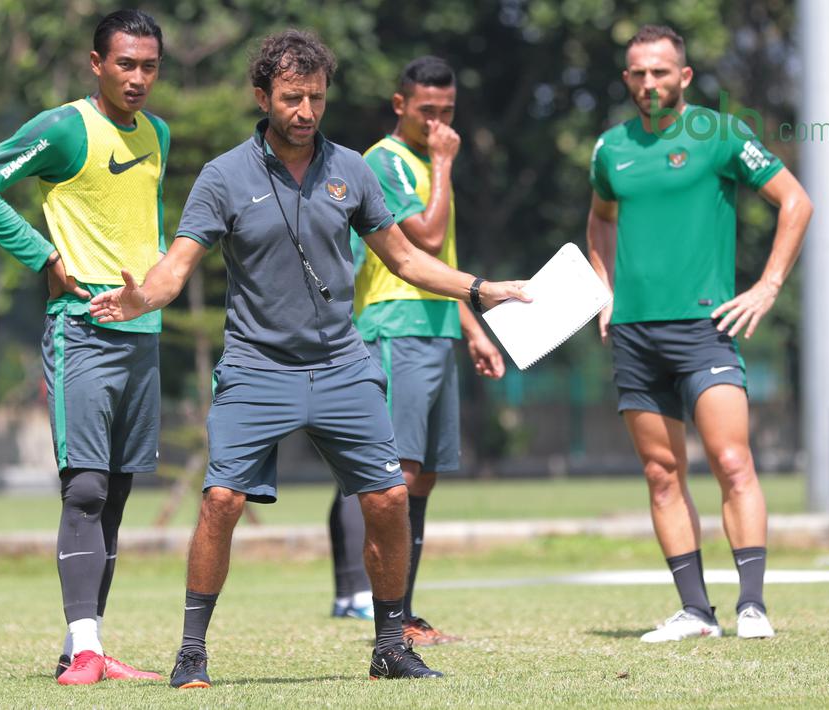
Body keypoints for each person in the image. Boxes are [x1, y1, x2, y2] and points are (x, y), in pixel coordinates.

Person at [89, 29, 529, 687]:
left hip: (343, 366)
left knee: (387, 497)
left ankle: (389, 646)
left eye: (316, 98)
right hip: (255, 369)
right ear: (262, 95)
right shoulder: (223, 176)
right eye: (291, 98)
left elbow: (406, 258)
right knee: (220, 501)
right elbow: (176, 266)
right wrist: (139, 296)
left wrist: (479, 288)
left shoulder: (351, 169)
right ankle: (191, 653)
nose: (305, 111)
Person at [0, 9, 170, 684]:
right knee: (85, 488)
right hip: (80, 328)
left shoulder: (159, 133)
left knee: (120, 492)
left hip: (142, 334)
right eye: (125, 64)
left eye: (149, 66)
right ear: (96, 63)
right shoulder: (63, 127)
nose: (137, 79)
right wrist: (42, 255)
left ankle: (86, 644)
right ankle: (83, 650)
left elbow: (142, 227)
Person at [586, 25, 812, 642]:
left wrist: (767, 286)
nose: (648, 83)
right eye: (638, 73)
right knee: (662, 473)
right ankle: (695, 612)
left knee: (732, 460)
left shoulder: (720, 133)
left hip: (704, 328)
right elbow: (600, 220)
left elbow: (795, 202)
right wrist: (604, 288)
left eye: (660, 72)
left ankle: (753, 606)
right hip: (633, 334)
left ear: (683, 77)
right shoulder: (610, 148)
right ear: (627, 79)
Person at [328, 56, 505, 644]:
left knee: (423, 477)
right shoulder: (386, 161)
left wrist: (474, 329)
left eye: (447, 112)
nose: (438, 123)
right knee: (395, 476)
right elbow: (424, 239)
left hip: (436, 329)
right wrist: (445, 163)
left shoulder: (426, 163)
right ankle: (388, 617)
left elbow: (435, 270)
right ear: (399, 105)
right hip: (395, 329)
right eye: (427, 111)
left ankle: (404, 613)